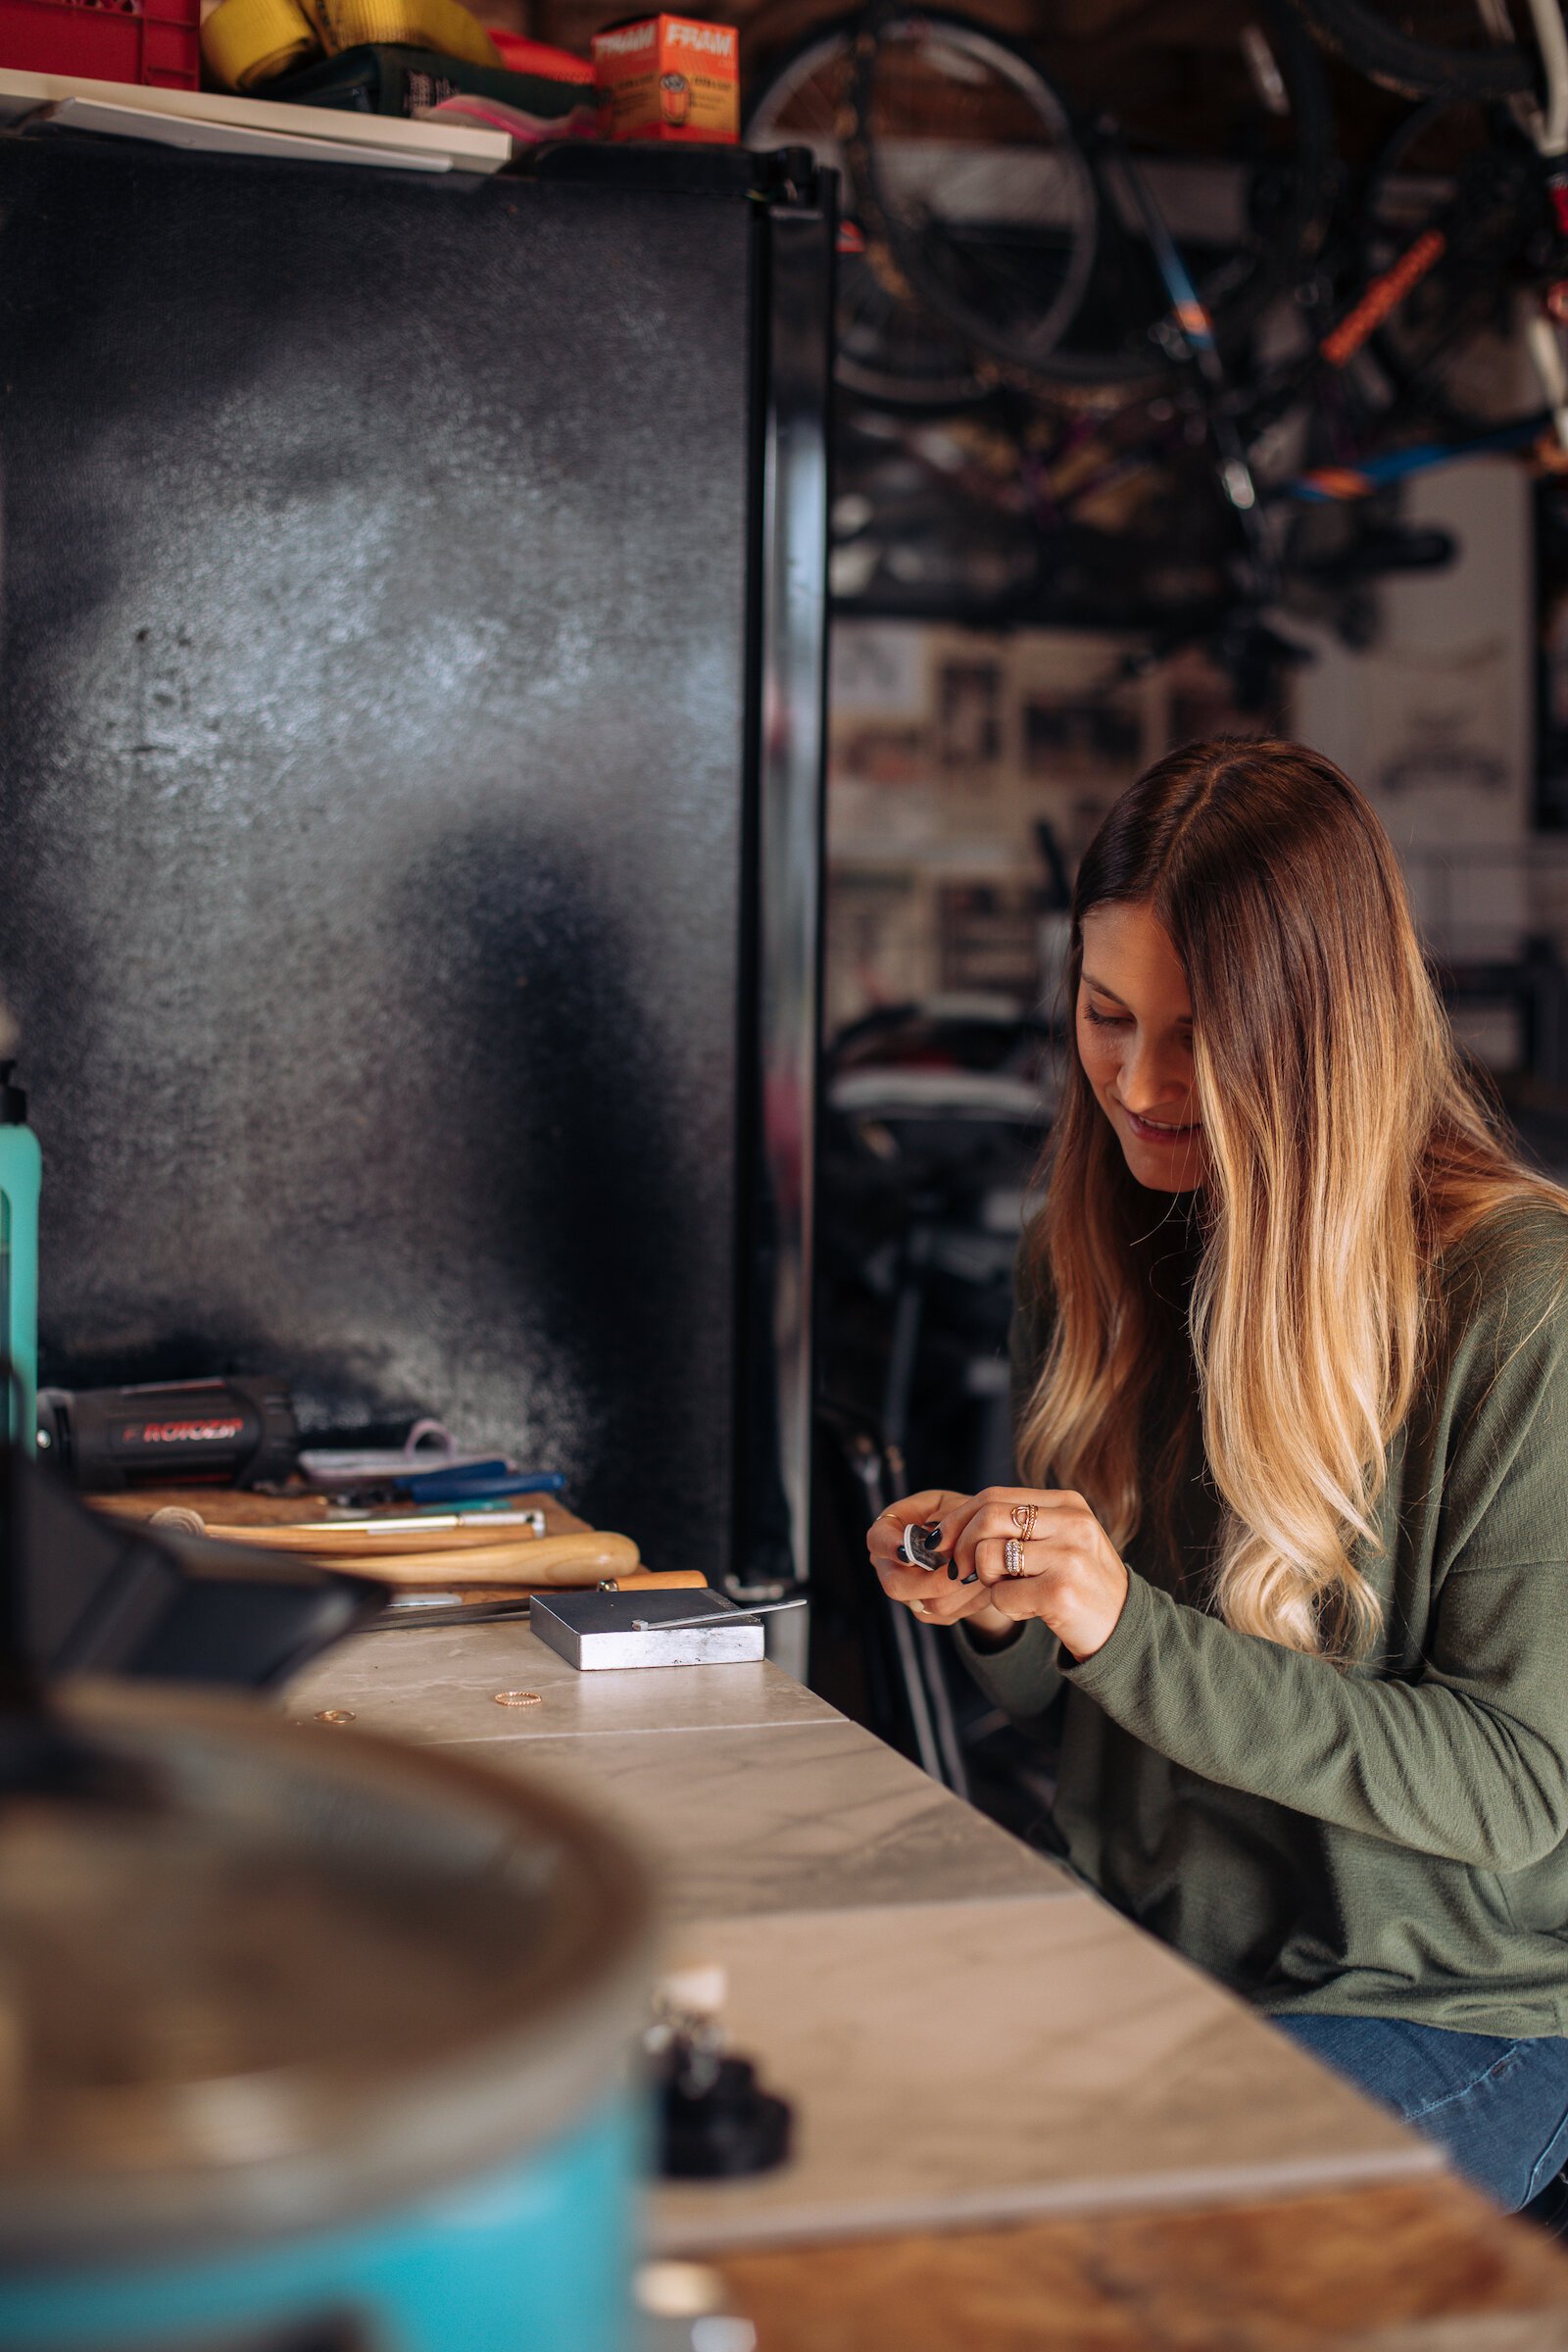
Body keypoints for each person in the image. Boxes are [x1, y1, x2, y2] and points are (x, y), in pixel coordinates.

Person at [868, 738, 1568, 2213]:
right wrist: (1011, 1603)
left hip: (1449, 2006)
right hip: (1141, 1940)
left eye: (1197, 1034)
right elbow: (1072, 1703)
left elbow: (1517, 1793)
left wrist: (1125, 1627)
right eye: (1104, 1015)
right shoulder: (1099, 1248)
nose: (1135, 1082)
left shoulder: (1520, 1302)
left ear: (1322, 1034)